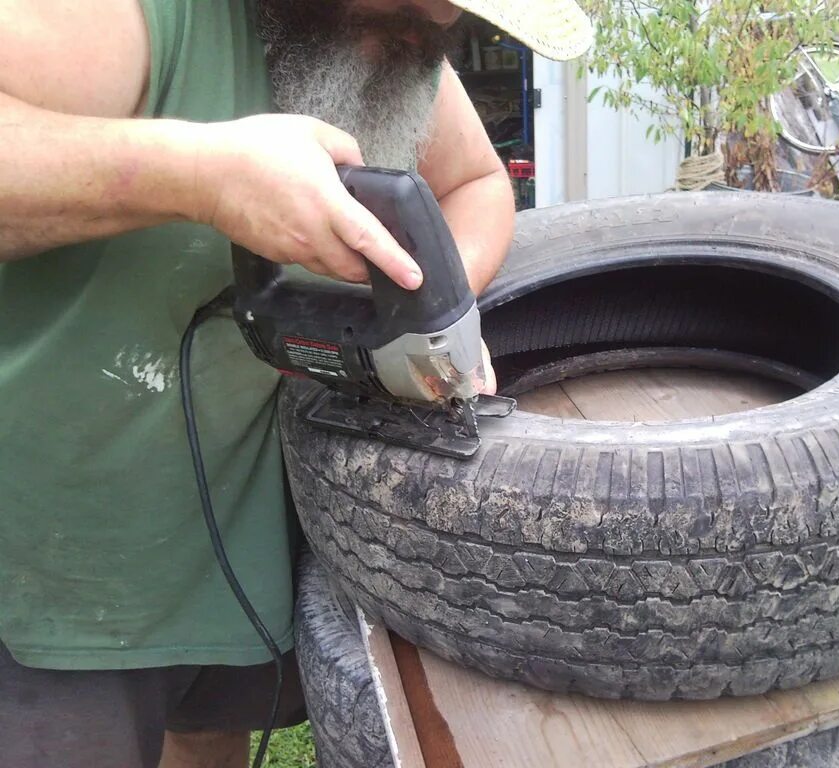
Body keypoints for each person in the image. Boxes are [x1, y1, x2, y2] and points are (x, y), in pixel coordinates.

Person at [0, 1, 591, 766]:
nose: (432, 29)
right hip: (62, 552)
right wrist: (198, 174)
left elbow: (477, 182)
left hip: (230, 526)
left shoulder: (393, 34)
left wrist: (429, 314)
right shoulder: (129, 16)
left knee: (208, 733)